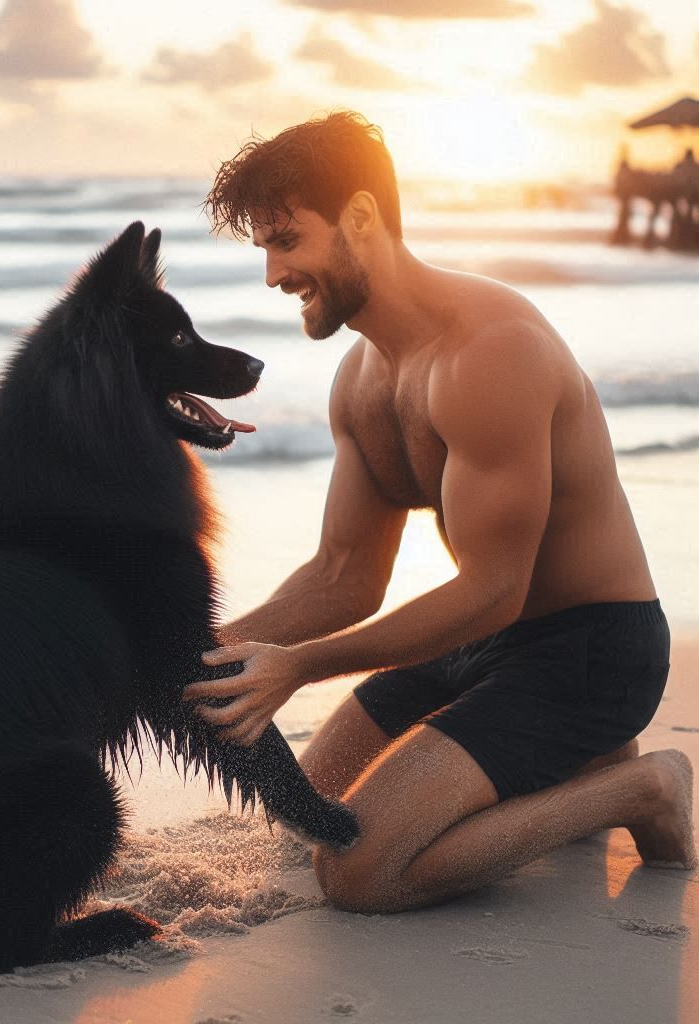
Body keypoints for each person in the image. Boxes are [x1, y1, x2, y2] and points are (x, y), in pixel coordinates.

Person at [184, 111, 696, 913]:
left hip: (591, 650)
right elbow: (343, 576)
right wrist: (201, 653)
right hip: (480, 640)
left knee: (360, 875)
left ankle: (642, 788)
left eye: (288, 242)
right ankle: (578, 761)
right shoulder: (362, 379)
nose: (274, 276)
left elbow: (499, 588)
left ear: (358, 217)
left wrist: (300, 667)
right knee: (297, 815)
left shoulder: (490, 355)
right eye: (266, 250)